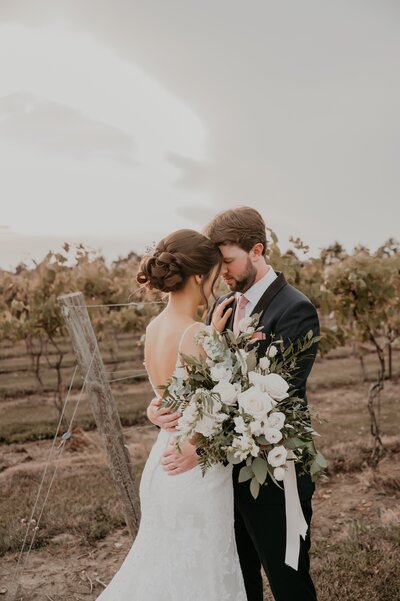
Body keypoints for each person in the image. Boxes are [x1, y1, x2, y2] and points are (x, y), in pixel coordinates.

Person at [152, 208, 319, 601]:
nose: (221, 271)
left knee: (287, 579)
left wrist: (202, 444)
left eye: (228, 261)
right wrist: (160, 407)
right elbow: (204, 378)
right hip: (223, 477)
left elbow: (278, 397)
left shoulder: (294, 309)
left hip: (274, 472)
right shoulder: (222, 306)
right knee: (239, 580)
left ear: (257, 250)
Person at [95, 228, 247, 601]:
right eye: (214, 273)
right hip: (194, 465)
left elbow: (173, 395)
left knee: (167, 570)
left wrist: (153, 410)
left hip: (162, 465)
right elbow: (217, 403)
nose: (218, 281)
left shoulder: (154, 328)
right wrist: (211, 339)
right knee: (201, 573)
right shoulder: (196, 333)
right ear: (199, 276)